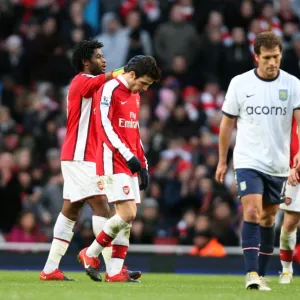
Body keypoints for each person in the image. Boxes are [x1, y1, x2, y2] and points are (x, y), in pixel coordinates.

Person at [39, 40, 135, 281]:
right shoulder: (81, 80)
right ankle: (112, 270)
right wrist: (122, 70)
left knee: (70, 210)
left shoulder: (98, 86)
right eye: (99, 56)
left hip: (82, 156)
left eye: (104, 56)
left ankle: (50, 268)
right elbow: (104, 80)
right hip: (80, 156)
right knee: (103, 207)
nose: (104, 60)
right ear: (86, 61)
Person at [215, 31, 300, 291]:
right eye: (267, 58)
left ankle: (261, 275)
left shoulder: (293, 84)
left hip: (278, 163)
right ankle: (251, 273)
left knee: (268, 219)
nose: (273, 62)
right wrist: (222, 161)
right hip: (248, 159)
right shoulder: (240, 84)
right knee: (251, 211)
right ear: (256, 57)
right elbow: (227, 124)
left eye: (276, 57)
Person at [77, 55, 160, 283]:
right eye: (143, 83)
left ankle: (115, 271)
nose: (143, 89)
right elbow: (104, 126)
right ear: (132, 74)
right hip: (113, 160)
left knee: (127, 220)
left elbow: (134, 130)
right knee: (128, 213)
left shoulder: (134, 95)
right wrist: (127, 156)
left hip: (130, 160)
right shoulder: (110, 89)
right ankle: (91, 253)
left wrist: (143, 163)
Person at [279, 118, 300, 284]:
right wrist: (288, 167)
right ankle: (286, 270)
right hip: (294, 170)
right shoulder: (293, 103)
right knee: (290, 221)